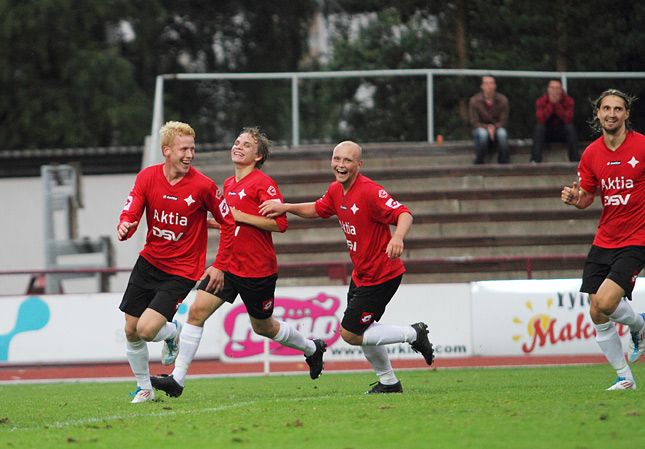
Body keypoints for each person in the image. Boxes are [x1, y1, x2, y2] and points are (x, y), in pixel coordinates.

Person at [150, 127, 327, 398]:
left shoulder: (263, 183)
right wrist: (207, 222)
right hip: (228, 266)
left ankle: (312, 348)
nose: (238, 146)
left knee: (263, 327)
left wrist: (239, 215)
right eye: (237, 142)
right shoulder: (229, 184)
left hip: (258, 270)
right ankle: (177, 379)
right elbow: (229, 222)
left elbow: (280, 224)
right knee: (196, 312)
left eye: (246, 145)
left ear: (258, 156)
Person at [259, 140, 435, 394]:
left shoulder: (370, 191)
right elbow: (318, 209)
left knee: (350, 333)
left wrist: (397, 237)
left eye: (347, 160)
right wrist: (286, 207)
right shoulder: (335, 190)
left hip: (382, 275)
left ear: (359, 165)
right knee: (363, 329)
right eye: (336, 159)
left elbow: (404, 214)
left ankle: (414, 334)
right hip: (362, 275)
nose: (340, 165)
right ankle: (389, 383)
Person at [117, 121, 235, 403]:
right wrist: (126, 225)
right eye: (184, 149)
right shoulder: (147, 177)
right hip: (149, 262)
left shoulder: (204, 186)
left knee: (147, 330)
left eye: (193, 149)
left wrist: (219, 264)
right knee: (131, 330)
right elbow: (131, 210)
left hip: (181, 271)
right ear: (166, 151)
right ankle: (145, 389)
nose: (190, 155)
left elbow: (228, 222)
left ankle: (173, 332)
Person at [561, 89, 645, 390]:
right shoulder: (592, 153)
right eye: (606, 108)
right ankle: (625, 378)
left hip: (637, 236)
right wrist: (574, 199)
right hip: (605, 237)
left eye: (618, 109)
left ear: (626, 114)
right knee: (596, 310)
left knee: (607, 301)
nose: (611, 114)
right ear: (598, 114)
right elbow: (587, 198)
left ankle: (639, 325)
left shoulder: (642, 146)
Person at [531, 79, 579, 163]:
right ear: (548, 89)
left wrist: (557, 105)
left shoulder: (568, 101)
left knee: (570, 128)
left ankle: (575, 160)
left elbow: (568, 119)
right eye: (552, 88)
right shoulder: (541, 101)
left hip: (561, 133)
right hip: (547, 133)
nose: (554, 91)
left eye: (557, 88)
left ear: (561, 90)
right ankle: (535, 160)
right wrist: (550, 105)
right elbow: (540, 119)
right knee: (539, 128)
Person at [468, 75, 510, 164]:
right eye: (486, 84)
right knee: (482, 134)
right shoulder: (474, 101)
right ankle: (479, 162)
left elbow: (504, 121)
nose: (489, 86)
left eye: (491, 83)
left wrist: (494, 127)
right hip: (480, 129)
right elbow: (474, 122)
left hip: (498, 128)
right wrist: (488, 127)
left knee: (503, 134)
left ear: (495, 86)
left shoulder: (503, 100)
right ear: (482, 86)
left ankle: (503, 163)